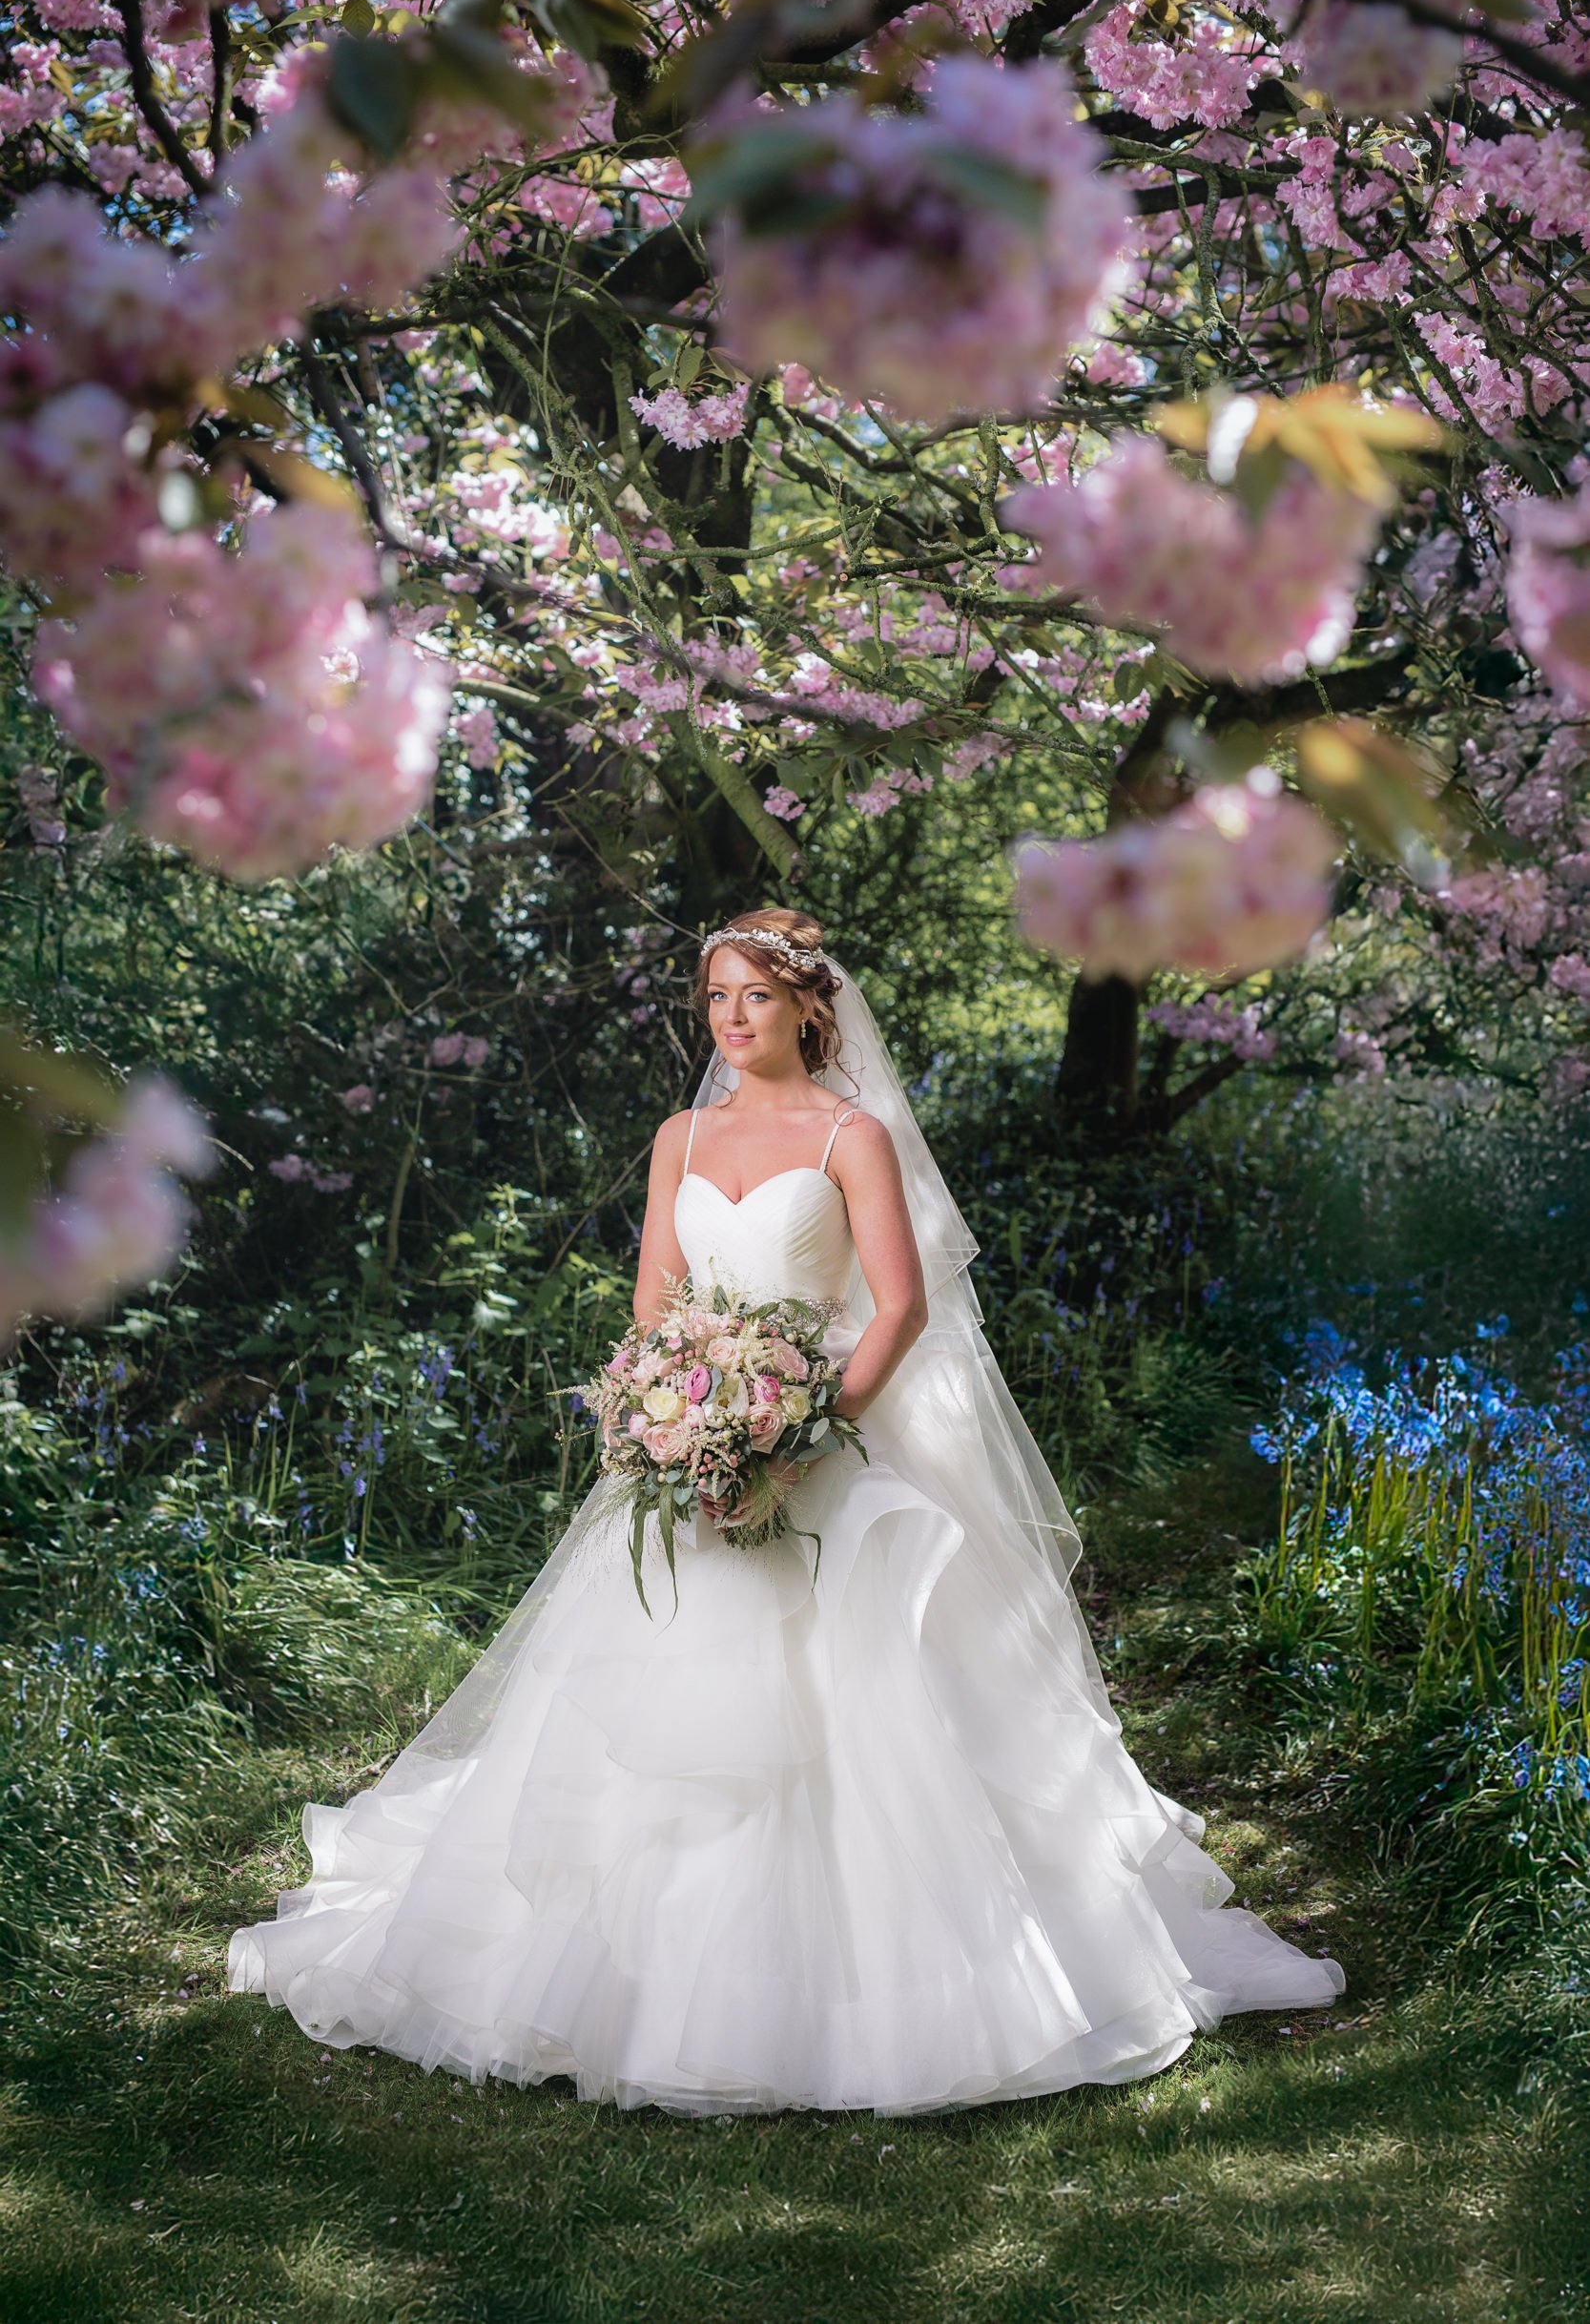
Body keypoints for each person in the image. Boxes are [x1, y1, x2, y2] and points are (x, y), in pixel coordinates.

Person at [227, 906, 1345, 2114]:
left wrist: (797, 1439)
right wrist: (665, 1420)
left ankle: (881, 1996)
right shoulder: (679, 1134)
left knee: (861, 1708)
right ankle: (609, 1985)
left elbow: (900, 1307)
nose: (730, 1016)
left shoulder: (849, 1135)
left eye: (752, 994)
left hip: (818, 1445)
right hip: (685, 1451)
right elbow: (657, 1296)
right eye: (714, 997)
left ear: (808, 1007)